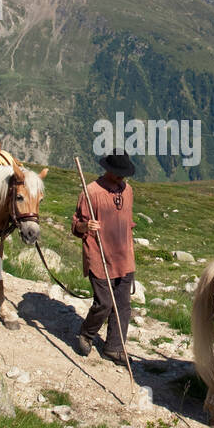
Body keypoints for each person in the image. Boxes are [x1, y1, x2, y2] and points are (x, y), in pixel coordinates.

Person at [71, 151, 137, 365]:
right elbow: (75, 225)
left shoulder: (127, 191)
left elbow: (128, 221)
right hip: (99, 254)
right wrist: (85, 226)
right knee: (104, 303)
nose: (121, 178)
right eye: (118, 174)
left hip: (124, 255)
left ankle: (114, 347)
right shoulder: (91, 192)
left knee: (123, 305)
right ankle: (86, 334)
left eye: (123, 175)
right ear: (108, 169)